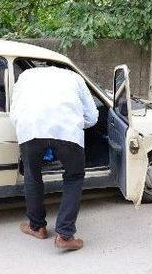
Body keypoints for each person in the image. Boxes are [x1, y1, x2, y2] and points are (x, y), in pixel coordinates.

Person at [10, 65, 98, 250]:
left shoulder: (25, 76)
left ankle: (37, 227)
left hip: (30, 130)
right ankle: (65, 235)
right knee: (74, 177)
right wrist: (72, 125)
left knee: (32, 176)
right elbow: (92, 117)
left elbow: (14, 113)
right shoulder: (74, 77)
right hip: (66, 132)